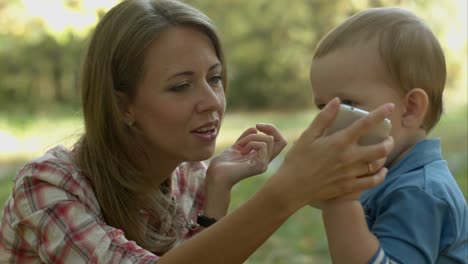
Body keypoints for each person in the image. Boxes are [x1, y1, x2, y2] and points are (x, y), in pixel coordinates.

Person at [0, 0, 395, 263]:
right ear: (123, 106)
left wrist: (217, 189)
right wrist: (287, 191)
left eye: (215, 78)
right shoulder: (48, 185)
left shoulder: (186, 176)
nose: (212, 101)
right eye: (180, 85)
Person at [309, 7, 468, 264]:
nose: (328, 124)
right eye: (322, 108)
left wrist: (339, 202)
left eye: (348, 104)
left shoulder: (420, 192)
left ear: (410, 109)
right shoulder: (389, 174)